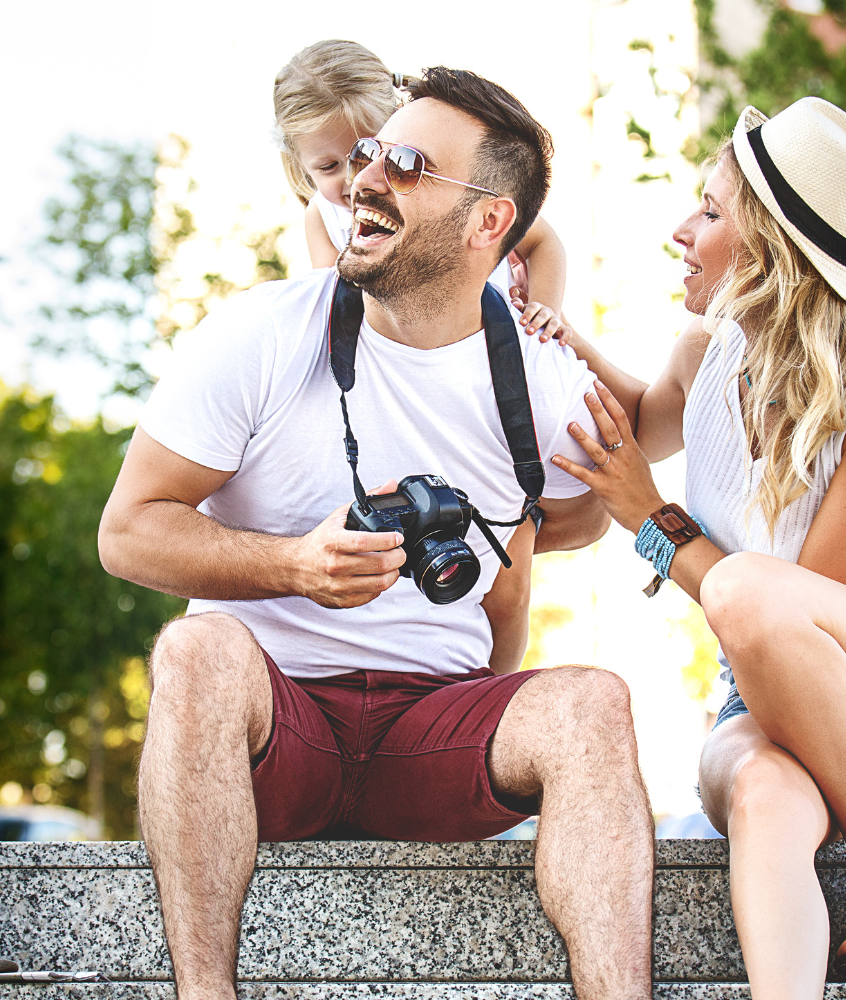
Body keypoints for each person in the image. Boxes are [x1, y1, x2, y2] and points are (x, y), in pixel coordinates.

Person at [99, 67, 653, 1000]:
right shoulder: (260, 333)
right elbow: (127, 533)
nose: (364, 178)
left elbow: (596, 508)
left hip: (427, 737)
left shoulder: (545, 379)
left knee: (592, 701)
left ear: (490, 223)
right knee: (194, 653)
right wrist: (293, 565)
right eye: (366, 154)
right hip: (278, 729)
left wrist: (523, 529)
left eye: (406, 162)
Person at [539, 98, 846, 992]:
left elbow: (788, 615)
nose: (682, 229)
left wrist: (652, 523)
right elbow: (638, 422)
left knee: (753, 592)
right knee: (762, 792)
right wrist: (556, 330)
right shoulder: (708, 354)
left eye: (710, 212)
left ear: (774, 252)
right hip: (754, 701)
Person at [277, 39, 567, 337]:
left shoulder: (454, 195)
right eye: (329, 167)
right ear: (301, 165)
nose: (358, 178)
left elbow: (543, 242)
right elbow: (335, 303)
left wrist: (544, 308)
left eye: (372, 151)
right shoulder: (321, 216)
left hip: (499, 339)